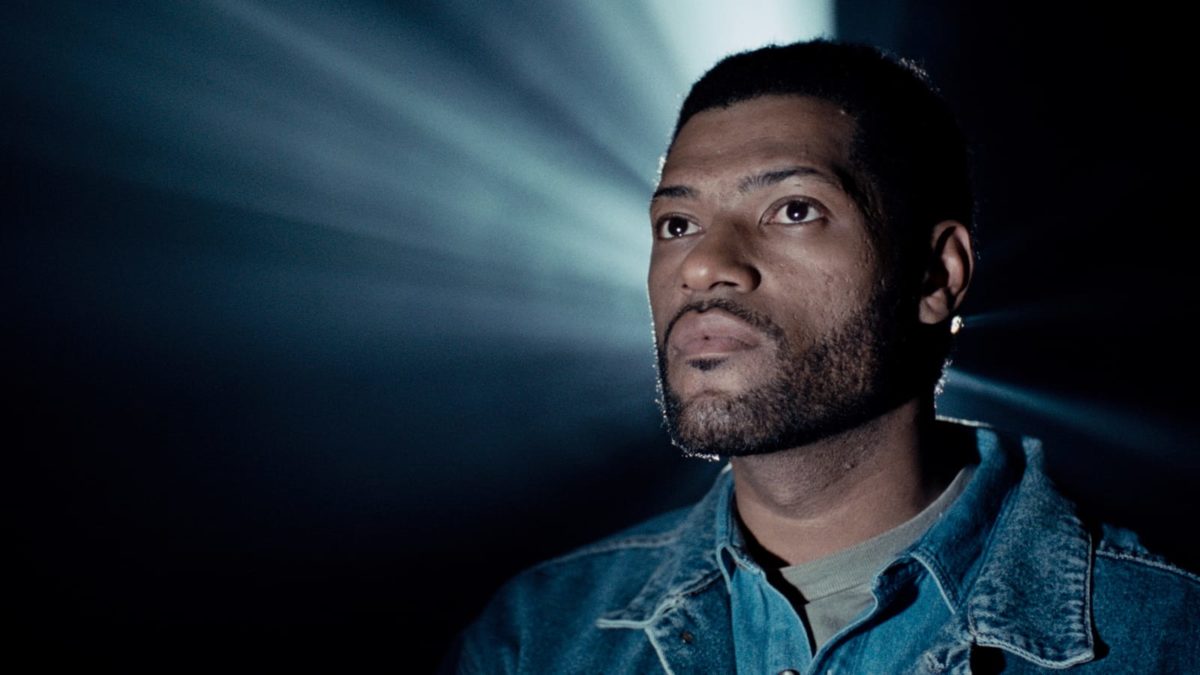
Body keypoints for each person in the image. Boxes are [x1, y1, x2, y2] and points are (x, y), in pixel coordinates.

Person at [444, 39, 1198, 673]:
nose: (702, 266)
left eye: (793, 210)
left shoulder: (1168, 636)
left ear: (935, 276)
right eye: (677, 223)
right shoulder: (537, 635)